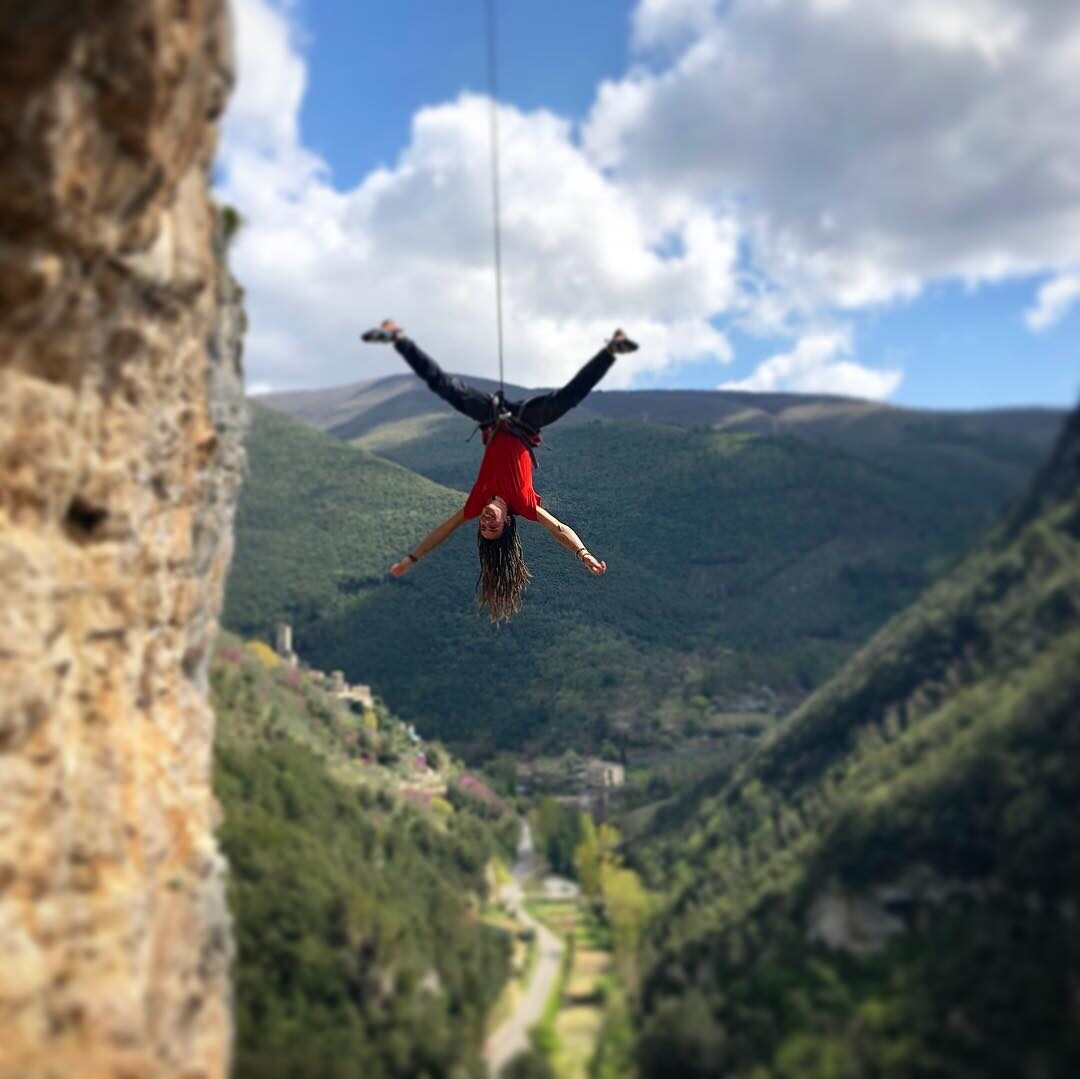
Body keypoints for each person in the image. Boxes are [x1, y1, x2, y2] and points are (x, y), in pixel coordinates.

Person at [361, 319, 638, 622]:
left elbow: (442, 532)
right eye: (493, 527)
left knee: (445, 387)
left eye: (482, 527)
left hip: (493, 417)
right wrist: (583, 554)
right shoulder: (525, 505)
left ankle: (397, 337)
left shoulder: (476, 504)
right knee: (568, 398)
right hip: (525, 422)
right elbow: (559, 530)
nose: (486, 521)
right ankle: (612, 349)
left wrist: (411, 559)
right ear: (507, 523)